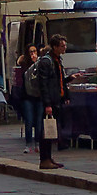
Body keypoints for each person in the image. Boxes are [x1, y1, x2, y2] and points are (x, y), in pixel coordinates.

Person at [29, 36, 67, 169]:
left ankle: (49, 158)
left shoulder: (56, 60)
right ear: (55, 47)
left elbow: (58, 81)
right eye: (62, 46)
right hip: (49, 101)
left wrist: (65, 94)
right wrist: (47, 104)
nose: (64, 48)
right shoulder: (47, 61)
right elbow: (44, 84)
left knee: (51, 131)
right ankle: (44, 159)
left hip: (55, 99)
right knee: (46, 131)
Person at [8, 45, 34, 142]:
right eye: (31, 52)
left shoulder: (40, 63)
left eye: (34, 51)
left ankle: (38, 142)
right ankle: (29, 142)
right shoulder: (24, 65)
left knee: (38, 120)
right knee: (29, 119)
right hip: (26, 96)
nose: (33, 54)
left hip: (37, 96)